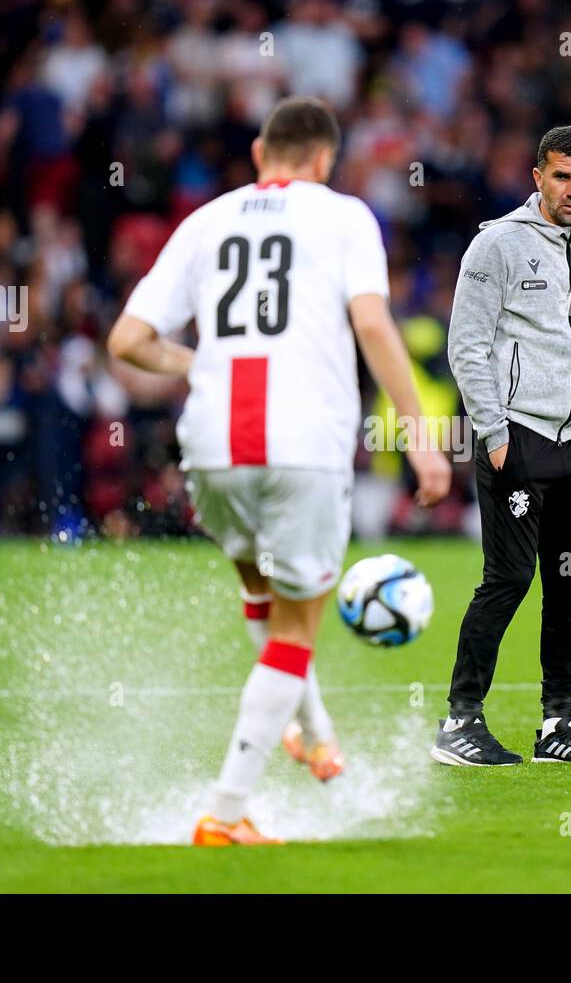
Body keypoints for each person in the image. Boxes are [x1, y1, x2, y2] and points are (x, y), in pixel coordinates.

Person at [108, 97, 451, 844]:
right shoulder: (346, 215)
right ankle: (225, 816)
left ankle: (315, 735)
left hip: (211, 441)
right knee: (300, 623)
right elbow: (370, 322)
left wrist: (196, 361)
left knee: (262, 594)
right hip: (302, 440)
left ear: (261, 153)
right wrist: (421, 436)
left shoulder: (206, 220)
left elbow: (128, 340)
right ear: (325, 161)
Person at [434, 125, 571, 766]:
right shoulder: (496, 244)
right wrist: (493, 434)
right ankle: (459, 721)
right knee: (510, 577)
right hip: (518, 436)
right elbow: (466, 344)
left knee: (570, 586)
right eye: (561, 176)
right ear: (537, 177)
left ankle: (557, 726)